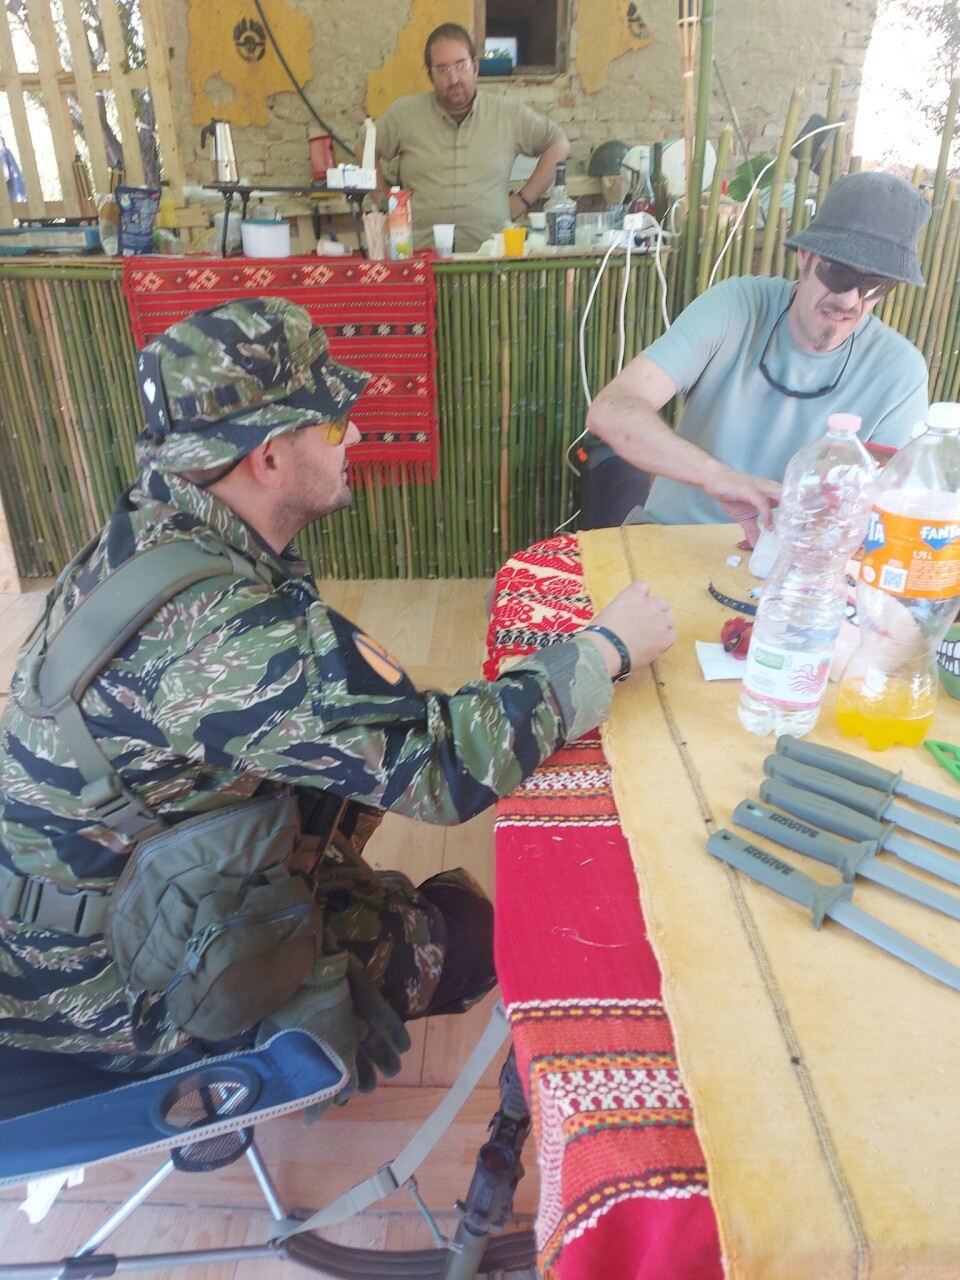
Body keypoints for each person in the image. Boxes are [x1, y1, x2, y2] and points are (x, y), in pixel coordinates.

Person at [0, 296, 674, 1086]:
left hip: (99, 899)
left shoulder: (157, 524)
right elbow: (446, 769)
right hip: (104, 982)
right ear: (267, 458)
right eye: (331, 422)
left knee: (347, 793)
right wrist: (603, 650)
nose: (353, 436)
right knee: (463, 935)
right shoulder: (226, 632)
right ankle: (228, 1045)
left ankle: (306, 915)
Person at [586, 170, 932, 544]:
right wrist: (717, 477)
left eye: (874, 284)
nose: (849, 300)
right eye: (838, 273)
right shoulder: (735, 307)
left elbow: (891, 514)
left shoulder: (900, 371)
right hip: (669, 539)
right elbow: (610, 410)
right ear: (805, 255)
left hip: (800, 562)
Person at [366, 23, 570, 252]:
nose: (453, 78)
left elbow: (558, 143)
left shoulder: (507, 113)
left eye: (460, 65)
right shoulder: (405, 114)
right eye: (442, 69)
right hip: (420, 257)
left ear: (475, 66)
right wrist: (384, 202)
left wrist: (522, 200)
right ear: (430, 75)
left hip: (489, 256)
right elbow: (365, 146)